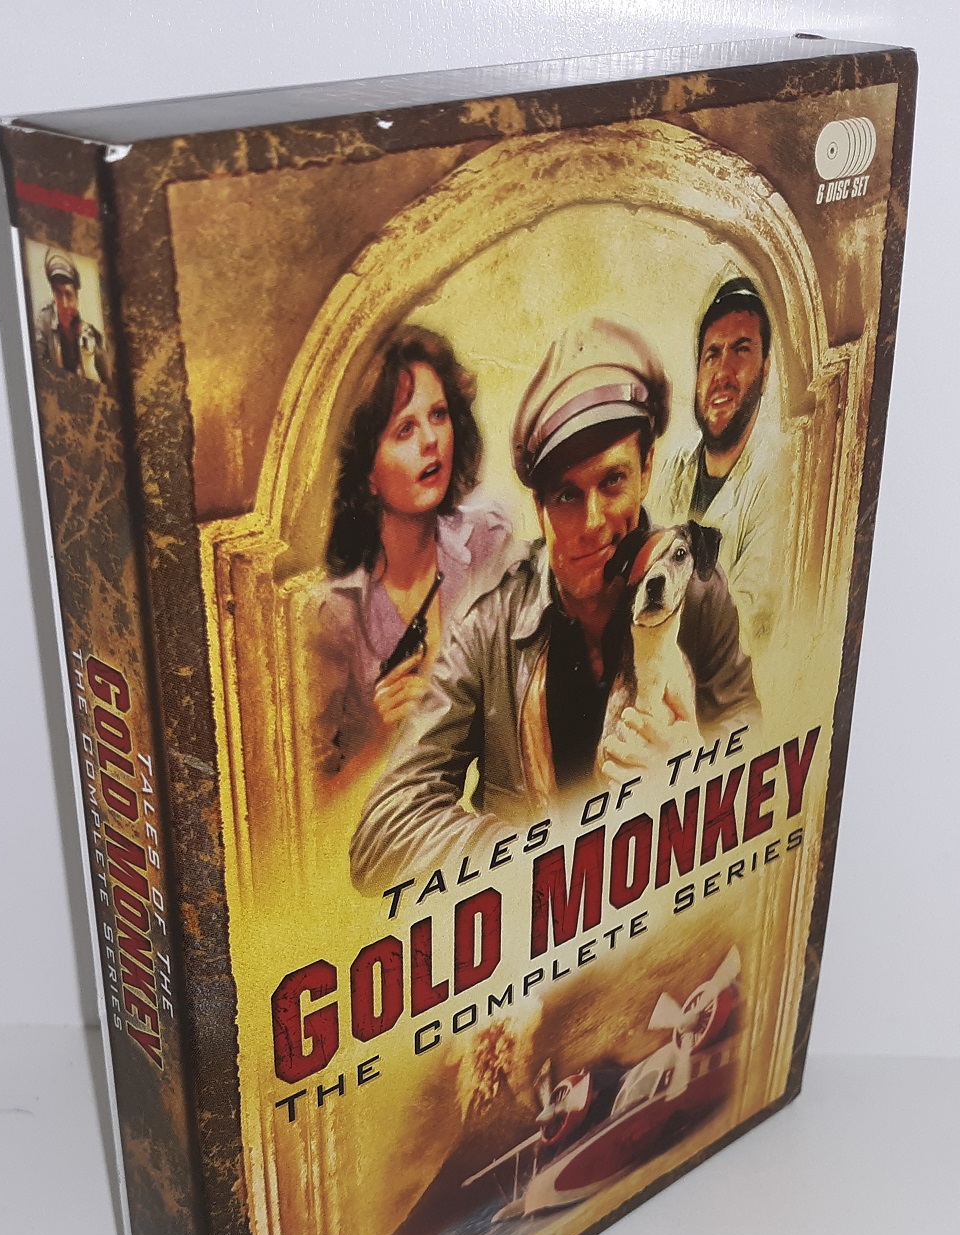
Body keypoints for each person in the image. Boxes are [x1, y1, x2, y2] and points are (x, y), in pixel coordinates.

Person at [349, 315, 759, 892]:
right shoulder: (490, 623)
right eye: (567, 495)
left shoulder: (699, 594)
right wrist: (534, 860)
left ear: (646, 470)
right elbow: (381, 834)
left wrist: (697, 773)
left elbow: (761, 760)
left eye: (612, 482)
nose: (592, 523)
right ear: (538, 506)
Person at [307, 327, 514, 789]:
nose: (431, 440)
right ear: (367, 471)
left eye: (438, 415)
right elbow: (308, 808)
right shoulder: (334, 616)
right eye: (405, 429)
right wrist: (380, 738)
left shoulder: (490, 542)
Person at [655, 277, 783, 648]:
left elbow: (744, 632)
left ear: (765, 371)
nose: (723, 373)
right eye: (712, 354)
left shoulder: (779, 485)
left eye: (741, 350)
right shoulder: (673, 470)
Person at [31, 248, 104, 381]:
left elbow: (106, 378)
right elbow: (37, 365)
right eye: (58, 294)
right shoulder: (44, 320)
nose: (64, 304)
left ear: (77, 296)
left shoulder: (90, 332)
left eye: (69, 295)